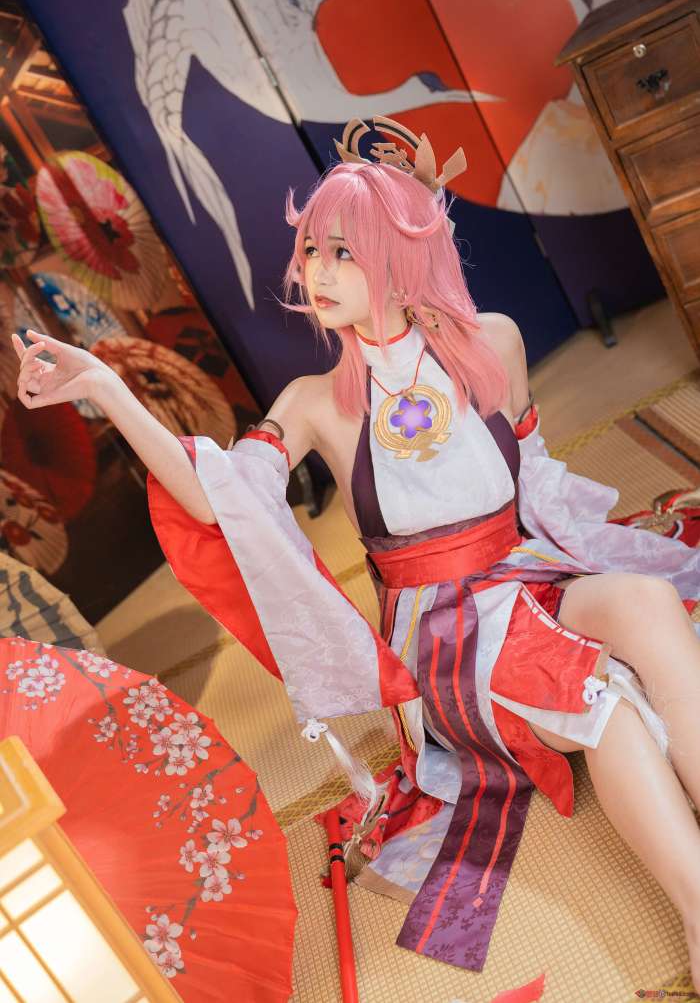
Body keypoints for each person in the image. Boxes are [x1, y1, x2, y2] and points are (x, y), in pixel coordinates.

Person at [11, 115, 700, 986]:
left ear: (404, 255)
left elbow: (534, 481)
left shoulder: (495, 341)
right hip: (444, 635)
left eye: (343, 251)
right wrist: (109, 389)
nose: (316, 270)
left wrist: (596, 550)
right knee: (607, 698)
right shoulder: (313, 402)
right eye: (311, 249)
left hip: (522, 574)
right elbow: (214, 493)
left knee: (645, 600)